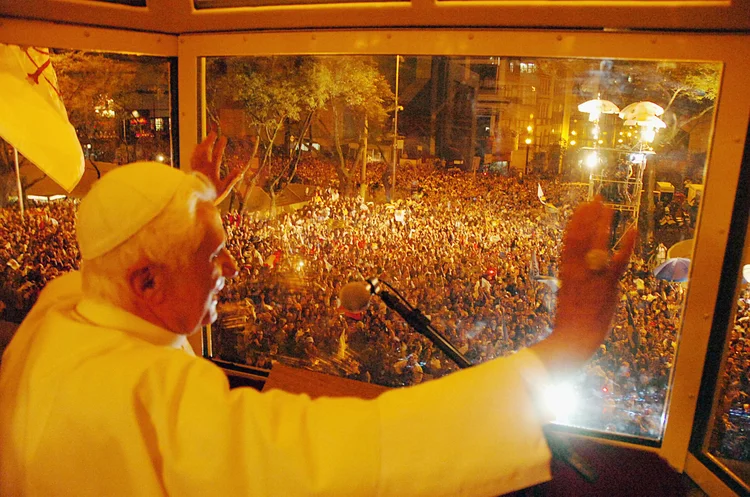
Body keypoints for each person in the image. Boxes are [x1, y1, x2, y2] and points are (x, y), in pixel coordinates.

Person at [0, 133, 635, 497]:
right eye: (212, 256)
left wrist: (188, 200)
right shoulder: (159, 400)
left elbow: (145, 305)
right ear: (145, 279)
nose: (230, 271)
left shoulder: (64, 305)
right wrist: (567, 343)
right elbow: (365, 451)